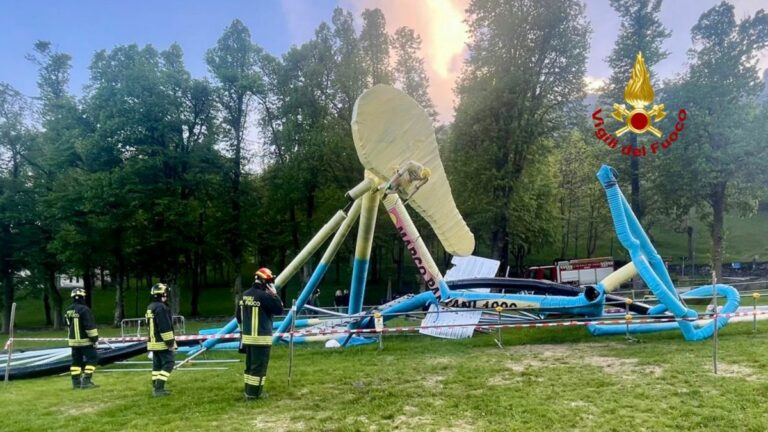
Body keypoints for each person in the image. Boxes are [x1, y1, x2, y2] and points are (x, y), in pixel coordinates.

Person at [237, 267, 284, 401]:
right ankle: (254, 394)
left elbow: (238, 317)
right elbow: (279, 310)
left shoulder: (244, 295)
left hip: (247, 338)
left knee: (250, 366)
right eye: (270, 281)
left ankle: (248, 390)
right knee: (259, 368)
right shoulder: (265, 296)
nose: (271, 284)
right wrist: (274, 294)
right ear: (264, 281)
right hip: (261, 339)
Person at [64, 288, 99, 389]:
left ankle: (76, 383)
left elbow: (66, 324)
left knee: (76, 362)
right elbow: (89, 325)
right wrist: (94, 338)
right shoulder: (84, 309)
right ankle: (86, 381)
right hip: (85, 341)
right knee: (93, 358)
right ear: (83, 297)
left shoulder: (68, 309)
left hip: (73, 342)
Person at [146, 283, 176, 397]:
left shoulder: (151, 306)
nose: (166, 295)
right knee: (169, 363)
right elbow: (164, 326)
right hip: (161, 342)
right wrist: (170, 342)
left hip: (153, 342)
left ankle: (156, 387)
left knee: (157, 365)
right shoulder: (161, 307)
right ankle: (159, 388)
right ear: (162, 294)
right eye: (166, 293)